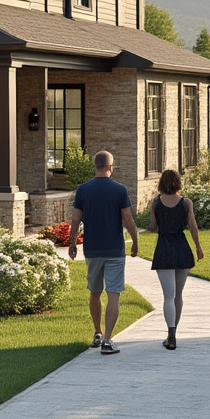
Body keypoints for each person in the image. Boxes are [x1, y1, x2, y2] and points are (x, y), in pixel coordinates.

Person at [67, 150, 139, 355]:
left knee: (95, 291)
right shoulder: (120, 190)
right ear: (110, 167)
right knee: (113, 293)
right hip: (114, 249)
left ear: (95, 166)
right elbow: (127, 219)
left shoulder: (83, 190)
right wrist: (135, 241)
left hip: (92, 249)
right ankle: (107, 340)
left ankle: (97, 332)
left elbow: (75, 219)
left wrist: (72, 243)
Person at [147, 169, 204, 351]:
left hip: (164, 248)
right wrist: (198, 247)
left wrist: (159, 225)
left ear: (161, 184)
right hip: (182, 248)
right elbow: (193, 226)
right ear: (178, 183)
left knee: (168, 296)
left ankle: (170, 335)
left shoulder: (156, 203)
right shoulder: (186, 203)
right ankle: (173, 333)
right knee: (178, 295)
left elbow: (152, 227)